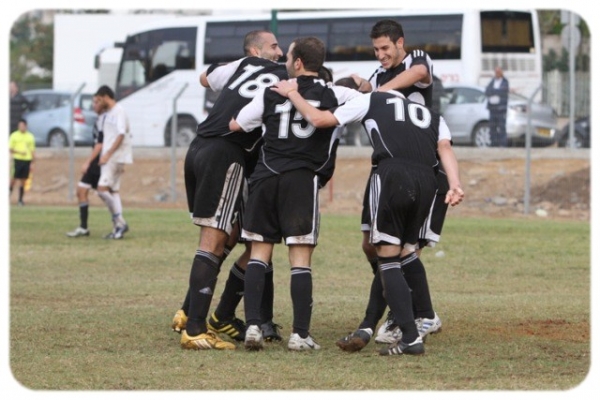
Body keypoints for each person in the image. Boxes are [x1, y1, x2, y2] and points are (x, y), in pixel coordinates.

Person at [270, 80, 464, 356]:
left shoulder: (372, 99)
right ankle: (421, 316)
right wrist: (455, 184)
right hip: (429, 181)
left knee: (387, 257)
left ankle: (409, 337)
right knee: (407, 252)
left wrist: (292, 94)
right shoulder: (432, 114)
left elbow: (319, 119)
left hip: (393, 174)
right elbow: (445, 148)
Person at [229, 36, 361, 352]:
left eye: (288, 56)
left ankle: (253, 327)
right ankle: (300, 335)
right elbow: (363, 100)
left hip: (266, 177)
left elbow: (237, 125)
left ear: (298, 62)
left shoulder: (271, 91)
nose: (285, 61)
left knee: (259, 254)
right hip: (301, 181)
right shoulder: (336, 94)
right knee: (300, 259)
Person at [179, 30, 288, 351]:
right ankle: (195, 329)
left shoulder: (241, 65)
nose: (279, 52)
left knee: (232, 233)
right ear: (255, 49)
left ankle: (189, 313)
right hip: (225, 153)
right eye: (274, 46)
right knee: (213, 241)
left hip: (198, 148)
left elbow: (204, 77)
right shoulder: (286, 77)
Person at [348, 19, 447, 345]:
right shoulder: (378, 76)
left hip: (421, 165)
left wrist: (378, 92)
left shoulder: (416, 59)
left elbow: (418, 73)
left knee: (403, 249)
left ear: (400, 43)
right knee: (371, 244)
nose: (380, 55)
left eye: (385, 48)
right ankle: (398, 299)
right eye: (376, 49)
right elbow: (367, 98)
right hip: (388, 167)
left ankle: (405, 315)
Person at [94, 85, 133, 240]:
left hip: (114, 157)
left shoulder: (119, 111)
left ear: (105, 97)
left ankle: (120, 222)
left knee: (101, 189)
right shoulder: (108, 113)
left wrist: (108, 154)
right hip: (112, 157)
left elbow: (121, 134)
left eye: (99, 100)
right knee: (113, 191)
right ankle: (117, 228)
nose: (97, 103)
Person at [65, 95, 107, 237]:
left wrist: (87, 162)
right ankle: (83, 227)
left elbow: (100, 144)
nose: (93, 105)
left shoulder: (105, 120)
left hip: (100, 162)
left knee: (107, 194)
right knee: (81, 191)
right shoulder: (98, 120)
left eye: (96, 102)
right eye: (93, 102)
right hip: (96, 162)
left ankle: (119, 223)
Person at [9, 118, 35, 206]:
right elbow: (10, 149)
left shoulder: (30, 136)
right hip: (17, 160)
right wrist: (19, 152)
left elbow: (32, 150)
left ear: (26, 126)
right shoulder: (14, 135)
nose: (21, 127)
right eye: (20, 126)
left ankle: (20, 200)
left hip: (27, 160)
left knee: (23, 181)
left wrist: (33, 162)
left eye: (23, 126)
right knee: (13, 179)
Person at [485, 66, 509, 147]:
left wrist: (494, 91)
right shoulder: (492, 81)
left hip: (500, 109)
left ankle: (503, 144)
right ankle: (493, 143)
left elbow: (502, 92)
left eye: (498, 72)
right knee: (492, 127)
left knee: (502, 127)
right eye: (496, 72)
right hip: (492, 108)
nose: (497, 74)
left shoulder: (505, 82)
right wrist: (495, 91)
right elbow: (487, 91)